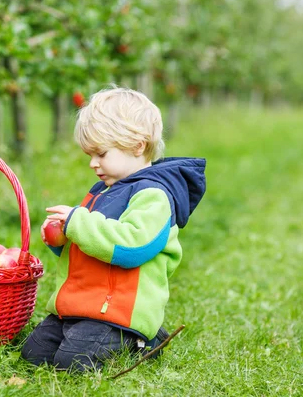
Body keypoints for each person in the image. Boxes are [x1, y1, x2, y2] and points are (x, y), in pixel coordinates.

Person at [21, 86, 206, 371]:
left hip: (117, 313)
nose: (93, 163)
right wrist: (62, 237)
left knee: (71, 364)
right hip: (80, 305)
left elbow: (132, 247)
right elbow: (92, 243)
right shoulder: (102, 191)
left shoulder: (153, 196)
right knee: (33, 355)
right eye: (90, 154)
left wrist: (78, 222)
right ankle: (99, 335)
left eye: (101, 153)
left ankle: (142, 340)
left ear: (137, 146)